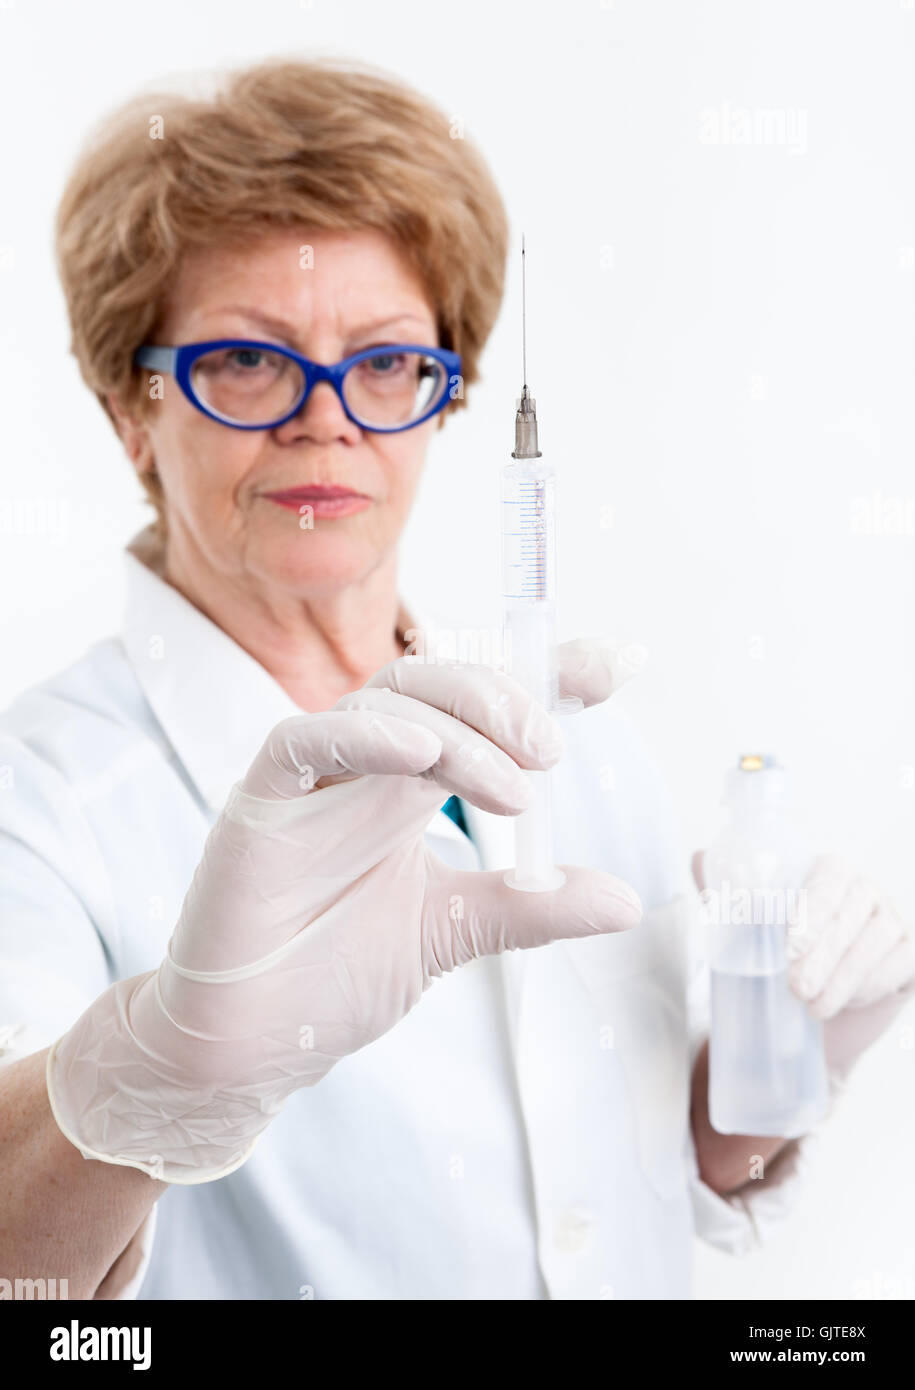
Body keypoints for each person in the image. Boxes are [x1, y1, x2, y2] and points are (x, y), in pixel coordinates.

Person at [1, 57, 912, 1302]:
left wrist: (784, 1050)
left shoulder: (573, 732)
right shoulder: (44, 796)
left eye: (385, 365)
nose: (326, 421)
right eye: (248, 362)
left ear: (445, 395)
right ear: (128, 404)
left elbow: (647, 1171)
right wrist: (153, 1078)